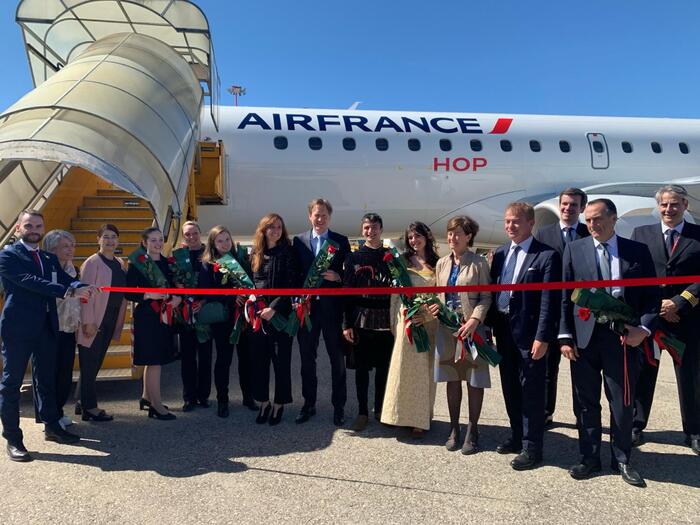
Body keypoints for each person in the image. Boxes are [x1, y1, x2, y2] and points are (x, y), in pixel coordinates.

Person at [559, 199, 659, 487]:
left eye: (598, 218)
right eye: (588, 220)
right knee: (585, 402)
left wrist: (643, 329)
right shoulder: (575, 249)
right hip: (584, 338)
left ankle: (622, 459)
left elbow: (652, 297)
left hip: (623, 338)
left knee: (622, 402)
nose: (593, 224)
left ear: (613, 218)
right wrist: (565, 336)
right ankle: (589, 457)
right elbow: (564, 296)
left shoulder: (637, 251)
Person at [0, 210, 92, 462]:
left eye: (38, 226)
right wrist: (68, 291)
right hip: (18, 328)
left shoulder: (48, 258)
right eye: (28, 225)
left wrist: (81, 286)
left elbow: (65, 279)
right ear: (18, 228)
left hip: (46, 326)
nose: (34, 230)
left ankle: (52, 426)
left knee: (46, 379)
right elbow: (29, 281)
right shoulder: (8, 255)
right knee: (11, 383)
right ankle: (13, 438)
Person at [487, 202, 561, 470]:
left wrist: (543, 337)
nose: (510, 226)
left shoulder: (547, 256)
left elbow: (549, 301)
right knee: (510, 387)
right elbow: (494, 292)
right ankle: (517, 436)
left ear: (531, 223)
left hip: (531, 336)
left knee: (531, 391)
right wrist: (488, 328)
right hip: (504, 330)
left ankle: (532, 448)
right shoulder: (500, 253)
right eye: (507, 221)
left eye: (516, 221)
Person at [631, 185, 700, 455]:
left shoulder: (698, 235)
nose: (668, 209)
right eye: (664, 204)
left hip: (688, 318)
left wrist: (679, 302)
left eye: (674, 204)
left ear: (685, 205)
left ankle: (693, 431)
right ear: (658, 206)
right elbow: (635, 273)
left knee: (690, 376)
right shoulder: (641, 234)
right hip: (651, 318)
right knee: (644, 373)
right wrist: (659, 305)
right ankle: (636, 425)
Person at [430, 216, 492, 453]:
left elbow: (486, 297)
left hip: (471, 329)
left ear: (468, 236)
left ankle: (472, 430)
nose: (452, 238)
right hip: (448, 329)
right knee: (452, 378)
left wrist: (475, 319)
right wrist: (436, 307)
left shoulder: (479, 263)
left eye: (457, 233)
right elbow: (439, 294)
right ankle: (454, 428)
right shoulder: (442, 263)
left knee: (474, 381)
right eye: (450, 233)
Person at [293, 198, 351, 426]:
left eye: (324, 215)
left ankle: (339, 407)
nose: (320, 219)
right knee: (307, 359)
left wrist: (338, 277)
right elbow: (295, 274)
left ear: (330, 217)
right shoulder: (299, 241)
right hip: (307, 309)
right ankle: (309, 404)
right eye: (317, 215)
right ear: (310, 216)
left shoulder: (340, 241)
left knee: (337, 360)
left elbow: (350, 275)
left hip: (332, 309)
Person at [534, 188, 590, 427]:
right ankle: (546, 411)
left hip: (581, 311)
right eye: (564, 204)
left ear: (582, 208)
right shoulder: (543, 233)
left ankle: (583, 415)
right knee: (548, 367)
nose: (568, 208)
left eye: (574, 205)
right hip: (551, 309)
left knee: (582, 368)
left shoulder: (589, 232)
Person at [381, 222, 439, 437]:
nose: (414, 241)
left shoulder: (438, 263)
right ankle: (398, 415)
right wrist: (394, 320)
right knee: (401, 368)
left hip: (427, 321)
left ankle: (419, 420)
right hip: (406, 319)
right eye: (411, 237)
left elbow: (441, 295)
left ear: (426, 236)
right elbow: (396, 293)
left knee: (424, 371)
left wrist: (427, 315)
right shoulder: (403, 262)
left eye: (417, 236)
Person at [343, 213, 394, 431]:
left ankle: (380, 410)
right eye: (366, 227)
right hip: (361, 318)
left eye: (374, 227)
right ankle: (362, 412)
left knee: (384, 368)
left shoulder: (391, 257)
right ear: (362, 230)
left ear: (381, 229)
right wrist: (346, 324)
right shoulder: (353, 258)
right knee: (362, 369)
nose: (370, 231)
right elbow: (346, 292)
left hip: (385, 318)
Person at [199, 225, 257, 418]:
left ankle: (248, 397)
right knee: (224, 360)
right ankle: (222, 400)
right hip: (223, 318)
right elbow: (207, 292)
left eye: (227, 239)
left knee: (246, 359)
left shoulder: (240, 259)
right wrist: (232, 297)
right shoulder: (208, 264)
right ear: (213, 243)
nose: (225, 244)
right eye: (220, 241)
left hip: (243, 316)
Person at [125, 227, 181, 421]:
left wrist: (177, 299)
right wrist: (148, 294)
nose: (158, 244)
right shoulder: (137, 264)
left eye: (160, 240)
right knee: (154, 360)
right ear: (145, 243)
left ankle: (147, 398)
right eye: (153, 240)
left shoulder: (168, 264)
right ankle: (156, 406)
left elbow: (175, 288)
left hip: (164, 316)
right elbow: (128, 292)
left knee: (155, 359)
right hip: (147, 317)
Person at [250, 213, 300, 425]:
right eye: (272, 227)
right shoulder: (256, 254)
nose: (276, 231)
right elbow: (252, 283)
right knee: (259, 362)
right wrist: (254, 302)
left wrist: (274, 308)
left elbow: (292, 285)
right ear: (263, 230)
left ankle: (279, 404)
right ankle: (263, 402)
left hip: (280, 317)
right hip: (259, 316)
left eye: (279, 227)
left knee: (281, 362)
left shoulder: (288, 252)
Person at [77, 224, 127, 422]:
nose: (110, 240)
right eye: (105, 236)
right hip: (95, 320)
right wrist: (88, 322)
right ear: (98, 239)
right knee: (89, 364)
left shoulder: (119, 263)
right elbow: (85, 296)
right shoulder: (92, 263)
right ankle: (90, 408)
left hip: (109, 318)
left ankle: (82, 401)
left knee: (95, 363)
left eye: (113, 236)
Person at [38, 230, 81, 429]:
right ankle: (49, 417)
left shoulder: (74, 270)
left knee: (64, 373)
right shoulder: (44, 271)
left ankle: (59, 411)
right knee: (48, 374)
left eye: (72, 246)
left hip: (68, 328)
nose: (70, 250)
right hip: (49, 328)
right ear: (52, 249)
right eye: (65, 246)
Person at [175, 221, 211, 412]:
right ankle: (189, 397)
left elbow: (214, 283)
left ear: (200, 233)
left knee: (205, 357)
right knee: (188, 358)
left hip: (204, 312)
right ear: (183, 236)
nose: (191, 237)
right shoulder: (179, 256)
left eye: (194, 233)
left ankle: (203, 396)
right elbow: (174, 280)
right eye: (187, 234)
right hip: (185, 314)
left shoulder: (209, 253)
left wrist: (203, 302)